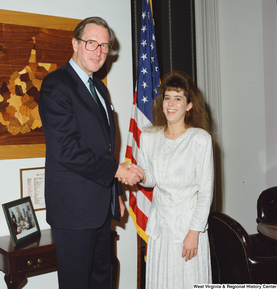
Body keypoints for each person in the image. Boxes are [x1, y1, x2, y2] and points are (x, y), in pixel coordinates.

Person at [38, 17, 143, 289]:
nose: (98, 51)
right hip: (73, 212)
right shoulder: (56, 84)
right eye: (91, 43)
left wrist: (116, 194)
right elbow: (67, 150)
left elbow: (106, 148)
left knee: (102, 282)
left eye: (105, 46)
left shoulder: (99, 87)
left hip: (100, 209)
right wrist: (118, 173)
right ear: (75, 44)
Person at [131, 70, 214, 288]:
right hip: (161, 229)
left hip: (188, 229)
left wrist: (194, 232)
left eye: (178, 98)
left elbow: (206, 191)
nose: (171, 103)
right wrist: (139, 174)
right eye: (167, 97)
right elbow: (151, 178)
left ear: (189, 105)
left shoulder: (200, 139)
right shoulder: (149, 137)